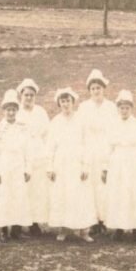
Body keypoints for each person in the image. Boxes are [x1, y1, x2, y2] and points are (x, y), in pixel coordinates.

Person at [46, 88, 96, 242]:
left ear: (73, 102)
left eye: (68, 101)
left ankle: (84, 230)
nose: (65, 104)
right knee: (62, 195)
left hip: (77, 162)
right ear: (59, 103)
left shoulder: (81, 120)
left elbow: (88, 144)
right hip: (61, 163)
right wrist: (50, 167)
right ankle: (63, 229)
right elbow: (50, 146)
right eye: (62, 101)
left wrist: (86, 166)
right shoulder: (55, 121)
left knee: (80, 195)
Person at [103, 90, 136, 242]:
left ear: (131, 109)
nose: (124, 111)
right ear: (118, 109)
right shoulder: (112, 124)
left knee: (134, 194)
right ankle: (119, 228)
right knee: (119, 194)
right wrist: (105, 167)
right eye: (121, 108)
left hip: (134, 162)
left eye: (127, 108)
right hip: (117, 162)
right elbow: (107, 148)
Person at [0, 90, 31, 241]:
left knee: (18, 197)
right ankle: (4, 230)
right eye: (8, 109)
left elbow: (27, 150)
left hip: (18, 165)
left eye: (13, 109)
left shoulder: (23, 127)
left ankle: (16, 230)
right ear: (3, 111)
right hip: (3, 165)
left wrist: (27, 168)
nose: (11, 112)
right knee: (3, 197)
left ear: (17, 111)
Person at [77, 69, 117, 234]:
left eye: (98, 87)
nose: (96, 91)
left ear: (103, 89)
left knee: (105, 183)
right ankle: (92, 220)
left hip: (105, 146)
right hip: (89, 147)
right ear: (89, 90)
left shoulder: (111, 106)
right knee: (90, 184)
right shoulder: (84, 107)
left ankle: (105, 219)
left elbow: (114, 129)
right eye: (93, 88)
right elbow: (80, 130)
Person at [15, 78, 50, 237]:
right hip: (22, 153)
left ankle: (35, 223)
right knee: (23, 188)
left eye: (31, 95)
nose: (28, 98)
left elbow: (47, 134)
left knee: (37, 189)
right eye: (26, 95)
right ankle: (21, 223)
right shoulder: (16, 112)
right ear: (20, 95)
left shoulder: (40, 112)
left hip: (38, 153)